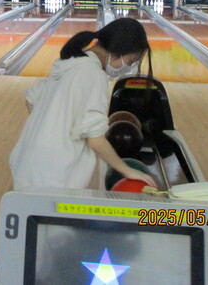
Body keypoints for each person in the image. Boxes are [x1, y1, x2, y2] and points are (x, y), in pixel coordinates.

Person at [10, 17, 158, 190]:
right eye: (131, 61)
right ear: (118, 51)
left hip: (28, 163)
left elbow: (31, 100)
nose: (129, 67)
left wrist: (50, 128)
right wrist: (127, 170)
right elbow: (95, 140)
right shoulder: (93, 74)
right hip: (54, 175)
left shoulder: (70, 62)